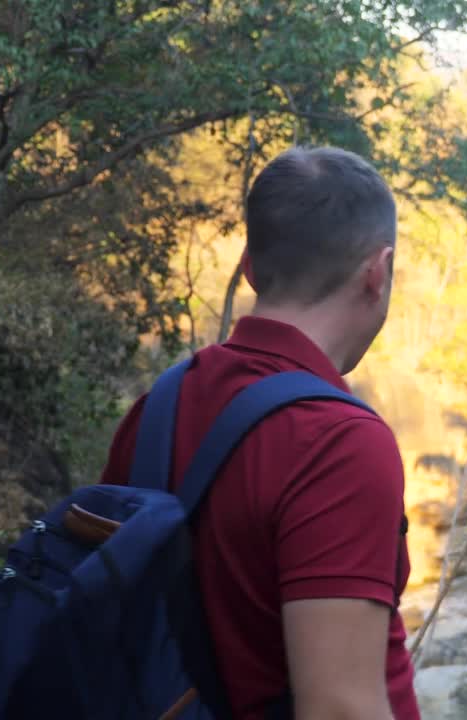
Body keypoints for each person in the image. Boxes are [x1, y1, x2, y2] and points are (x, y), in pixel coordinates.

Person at [99, 146, 420, 719]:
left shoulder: (154, 411)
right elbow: (339, 709)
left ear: (248, 266)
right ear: (378, 271)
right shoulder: (339, 443)